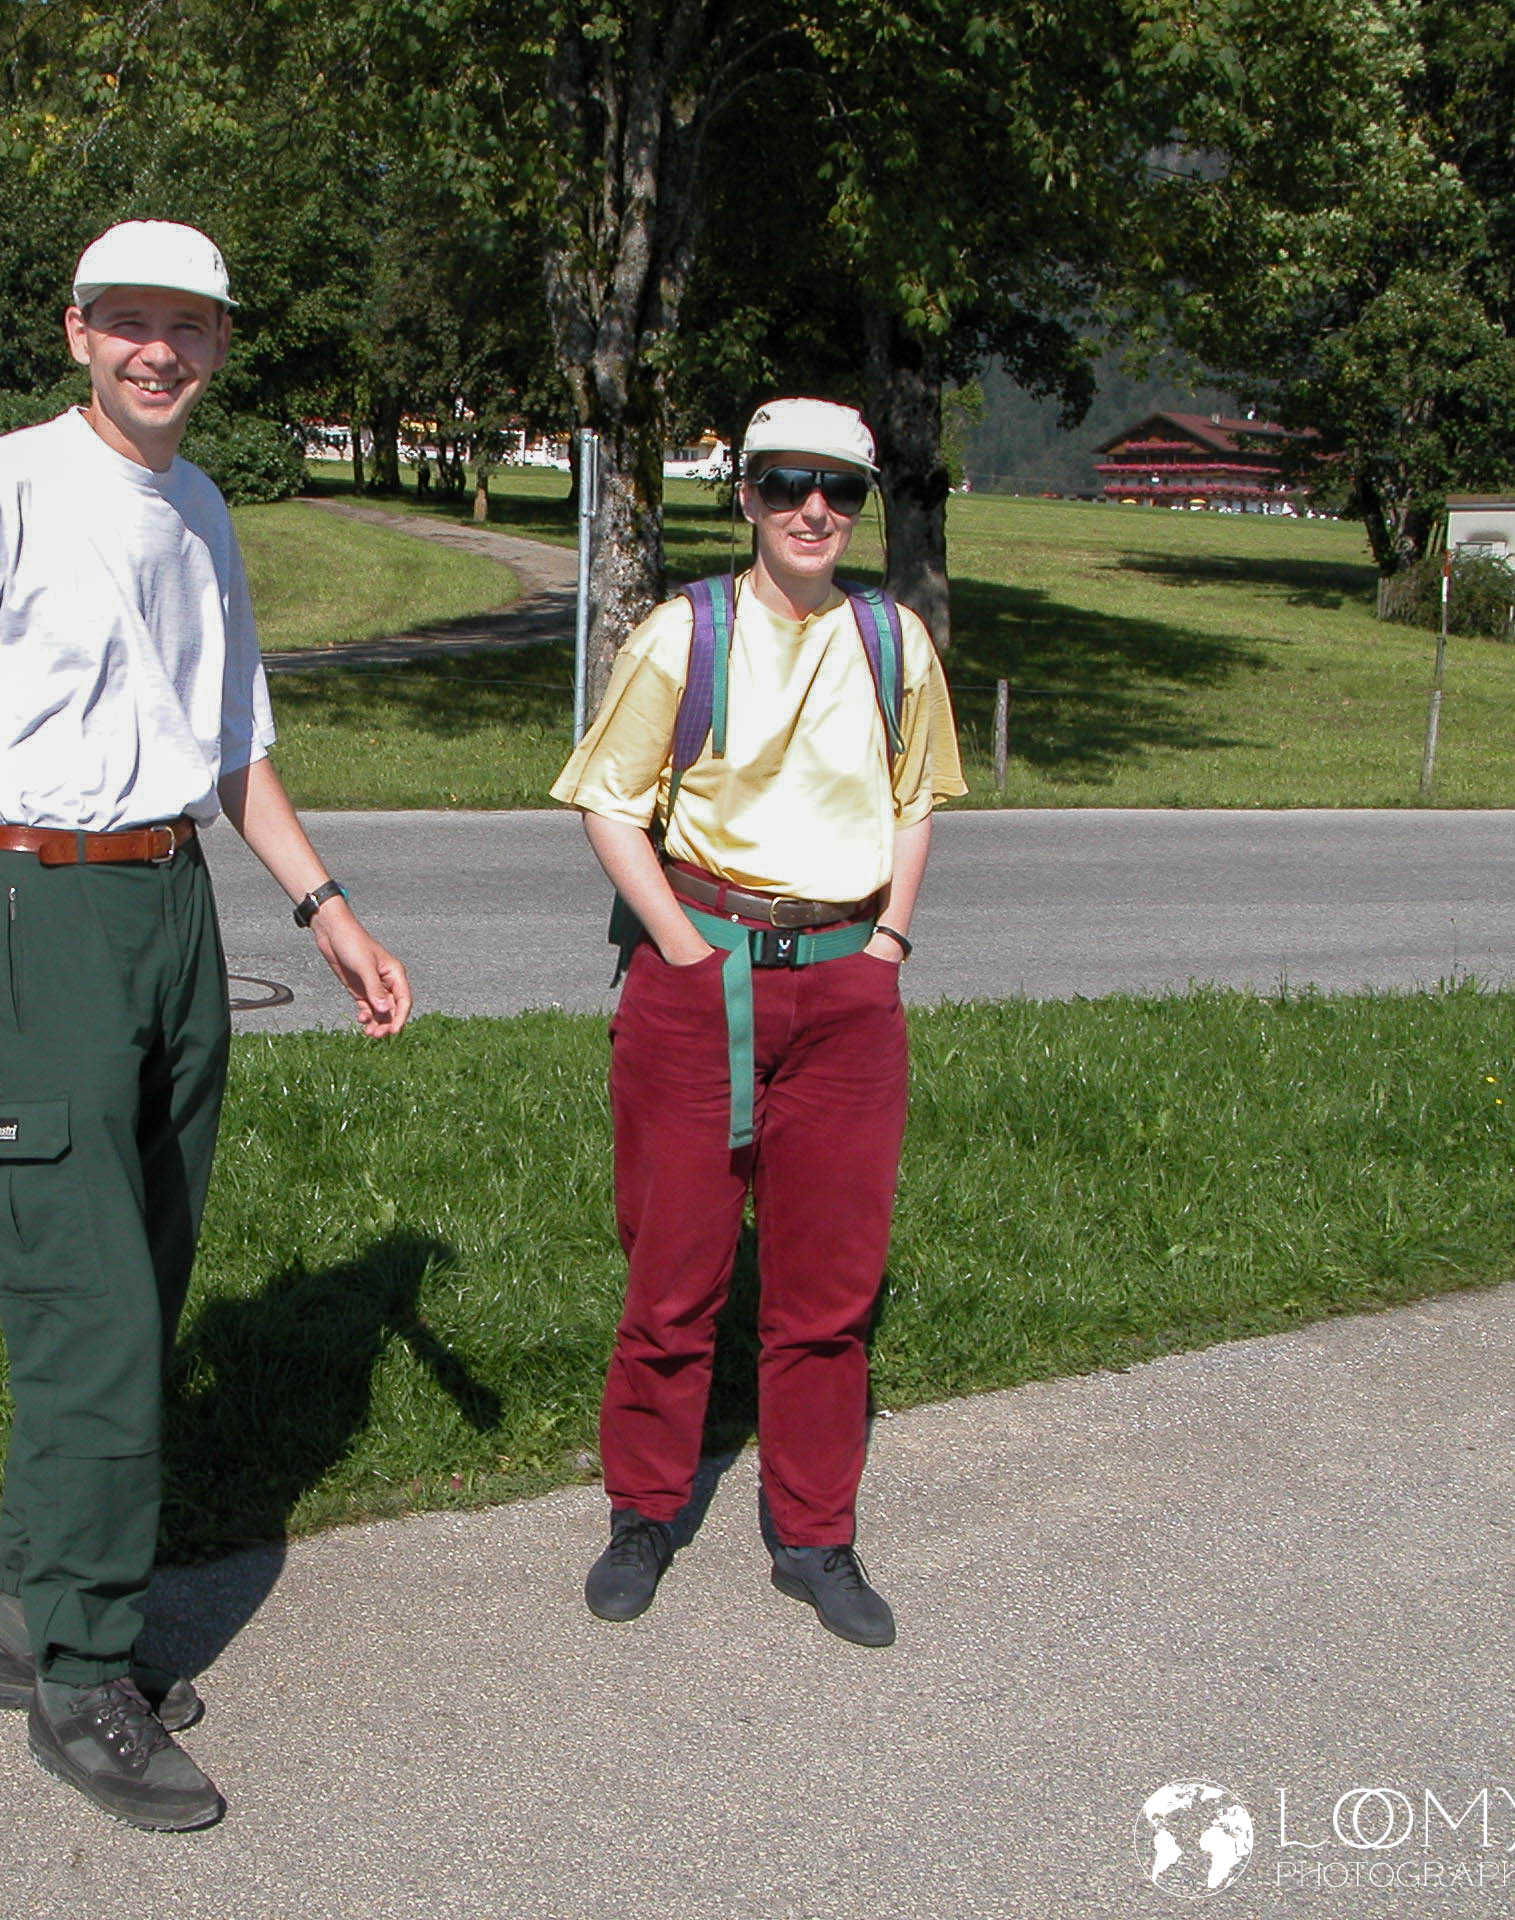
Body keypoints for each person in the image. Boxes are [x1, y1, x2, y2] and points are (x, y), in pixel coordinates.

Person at [0, 219, 412, 1833]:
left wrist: (329, 912)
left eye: (190, 325)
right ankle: (86, 1676)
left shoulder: (200, 510)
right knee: (90, 1320)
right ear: (77, 331)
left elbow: (232, 750)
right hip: (35, 913)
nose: (161, 350)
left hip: (171, 909)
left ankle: (31, 1611)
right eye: (130, 321)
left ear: (219, 345)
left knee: (135, 1296)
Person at [550, 397, 966, 1646]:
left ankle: (814, 1533)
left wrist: (888, 944)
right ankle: (643, 1512)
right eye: (786, 483)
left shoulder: (893, 642)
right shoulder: (685, 633)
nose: (812, 510)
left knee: (828, 1289)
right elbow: (609, 802)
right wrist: (680, 947)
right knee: (672, 1274)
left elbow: (914, 801)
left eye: (840, 489)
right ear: (744, 495)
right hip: (700, 977)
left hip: (846, 988)